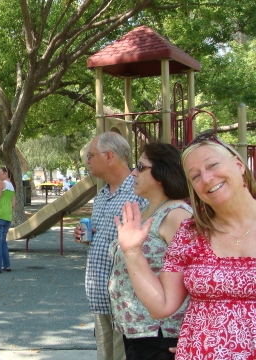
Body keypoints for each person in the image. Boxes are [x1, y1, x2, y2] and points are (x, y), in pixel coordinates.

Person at [117, 134, 256, 359]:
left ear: (239, 165)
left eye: (212, 165)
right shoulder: (190, 234)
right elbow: (161, 306)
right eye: (195, 176)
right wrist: (132, 252)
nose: (207, 178)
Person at [108, 143, 192, 360]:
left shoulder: (177, 216)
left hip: (162, 334)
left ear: (161, 174)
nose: (133, 173)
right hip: (138, 331)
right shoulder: (149, 210)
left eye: (140, 167)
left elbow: (195, 278)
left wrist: (190, 338)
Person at [72, 132, 148, 360]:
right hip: (100, 300)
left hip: (127, 303)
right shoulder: (102, 195)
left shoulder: (138, 194)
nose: (87, 161)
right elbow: (104, 241)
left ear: (108, 156)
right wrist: (84, 236)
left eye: (90, 155)